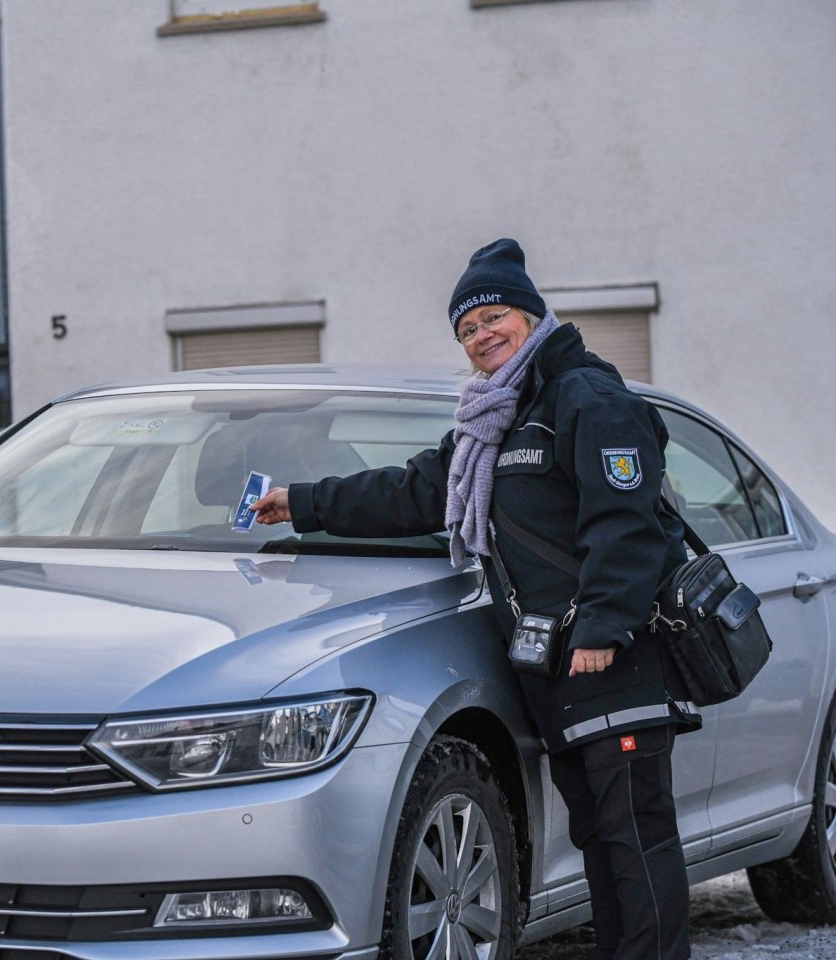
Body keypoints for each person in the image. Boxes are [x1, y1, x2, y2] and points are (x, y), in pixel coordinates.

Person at [251, 238, 697, 960]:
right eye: (467, 329)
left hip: (615, 661)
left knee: (637, 837)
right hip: (559, 669)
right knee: (601, 839)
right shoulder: (498, 419)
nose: (483, 335)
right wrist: (301, 503)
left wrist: (606, 628)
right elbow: (415, 489)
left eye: (494, 317)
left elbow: (626, 519)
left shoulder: (586, 394)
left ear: (529, 315)